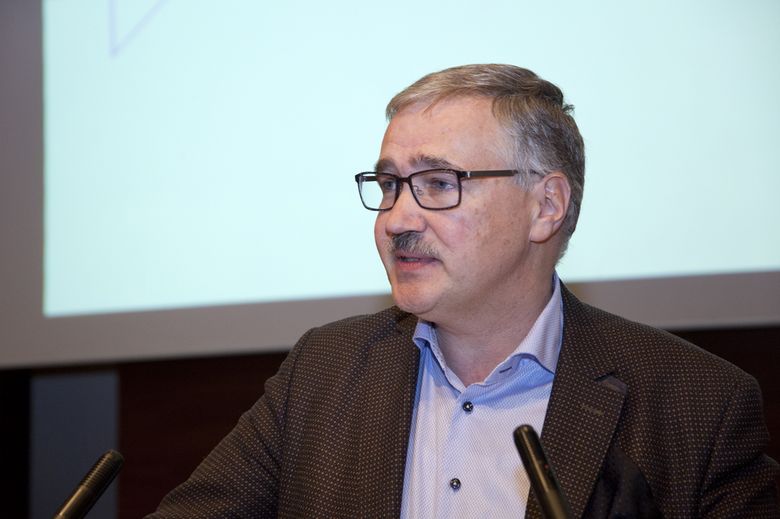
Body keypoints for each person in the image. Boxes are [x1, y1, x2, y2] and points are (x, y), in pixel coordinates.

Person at [148, 64, 778, 518]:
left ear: (546, 206)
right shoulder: (325, 371)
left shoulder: (698, 405)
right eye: (389, 185)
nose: (397, 219)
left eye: (438, 183)